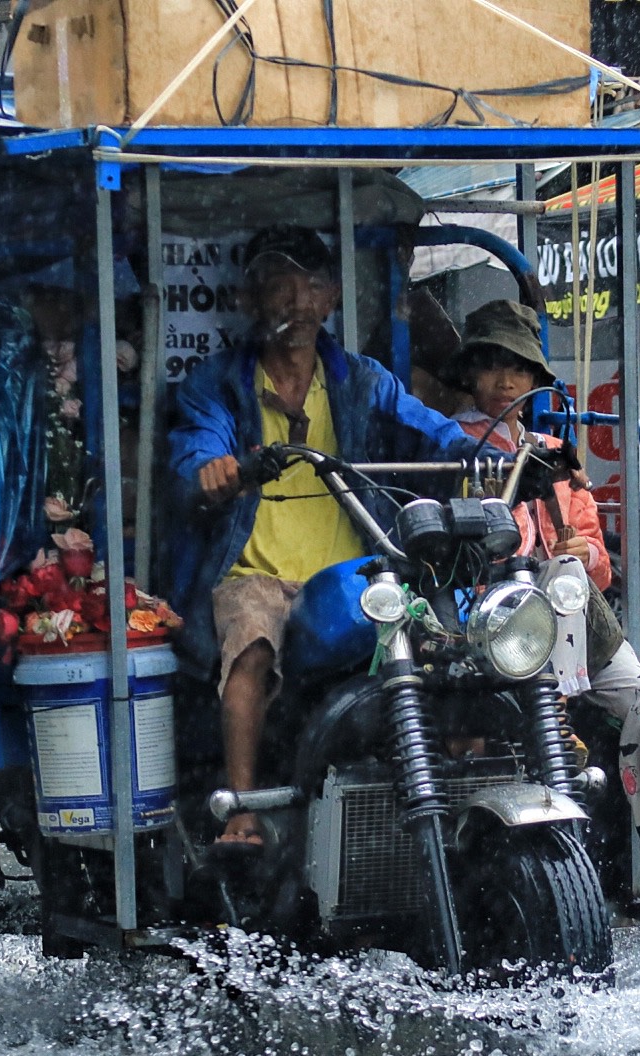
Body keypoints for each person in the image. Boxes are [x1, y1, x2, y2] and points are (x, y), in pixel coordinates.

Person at [164, 225, 487, 849]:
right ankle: (243, 810)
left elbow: (435, 432)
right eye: (279, 287)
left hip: (353, 576)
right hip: (256, 574)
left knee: (453, 639)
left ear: (331, 298)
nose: (296, 302)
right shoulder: (217, 385)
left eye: (310, 286)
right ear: (252, 299)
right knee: (251, 645)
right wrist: (214, 469)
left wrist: (491, 452)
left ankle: (461, 778)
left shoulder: (363, 381)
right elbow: (195, 453)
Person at [447, 299, 640, 914]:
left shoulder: (555, 453)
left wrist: (575, 550)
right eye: (491, 367)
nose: (505, 381)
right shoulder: (452, 447)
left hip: (569, 618)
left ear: (534, 379)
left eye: (517, 368)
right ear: (472, 375)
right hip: (495, 624)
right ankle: (559, 731)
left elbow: (598, 561)